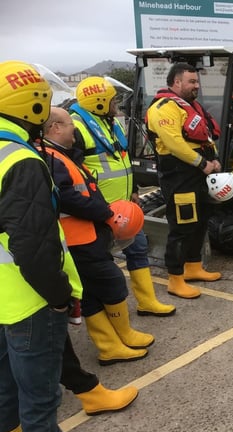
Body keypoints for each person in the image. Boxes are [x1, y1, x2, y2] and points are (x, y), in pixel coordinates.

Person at [43, 107, 139, 413]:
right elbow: (69, 197)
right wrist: (105, 212)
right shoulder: (52, 157)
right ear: (56, 127)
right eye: (70, 126)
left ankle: (115, 342)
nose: (75, 131)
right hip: (78, 237)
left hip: (85, 235)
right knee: (109, 284)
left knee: (98, 289)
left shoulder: (62, 154)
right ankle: (113, 344)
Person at [0, 60, 76, 432]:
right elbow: (32, 247)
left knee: (4, 397)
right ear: (34, 106)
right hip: (30, 302)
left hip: (2, 301)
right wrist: (60, 297)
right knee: (40, 403)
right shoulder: (21, 160)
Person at [71, 76, 176, 316]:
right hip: (99, 211)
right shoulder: (76, 128)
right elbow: (74, 174)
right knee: (102, 263)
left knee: (138, 249)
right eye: (112, 100)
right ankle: (109, 312)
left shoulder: (111, 123)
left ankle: (147, 302)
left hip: (125, 206)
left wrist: (135, 190)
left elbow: (123, 159)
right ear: (99, 102)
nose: (116, 103)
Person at [146, 63, 223, 298]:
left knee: (200, 222)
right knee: (181, 226)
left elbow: (206, 137)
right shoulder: (164, 107)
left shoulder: (192, 107)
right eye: (191, 82)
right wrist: (203, 164)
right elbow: (174, 143)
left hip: (198, 174)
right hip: (179, 175)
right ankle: (175, 279)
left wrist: (215, 159)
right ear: (176, 82)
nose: (196, 86)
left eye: (196, 82)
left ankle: (193, 266)